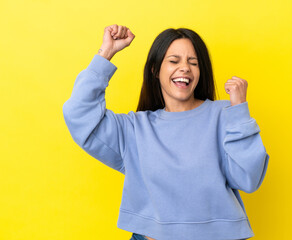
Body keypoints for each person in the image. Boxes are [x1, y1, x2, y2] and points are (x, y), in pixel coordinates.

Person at [63, 24, 269, 240]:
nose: (185, 68)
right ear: (155, 70)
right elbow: (79, 114)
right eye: (174, 61)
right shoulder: (135, 129)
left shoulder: (224, 114)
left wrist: (240, 111)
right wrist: (106, 53)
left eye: (193, 63)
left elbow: (249, 179)